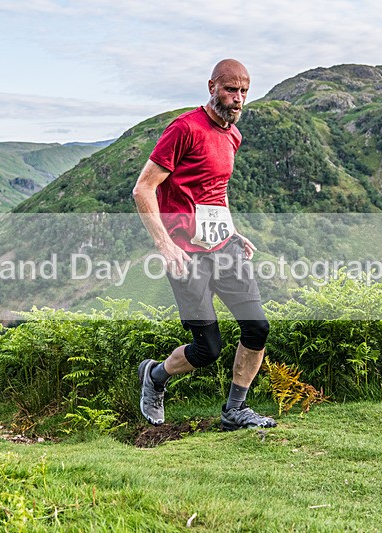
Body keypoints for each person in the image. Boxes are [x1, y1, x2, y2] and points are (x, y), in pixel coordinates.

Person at [132, 59, 276, 431]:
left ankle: (235, 411)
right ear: (212, 86)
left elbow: (215, 191)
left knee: (257, 327)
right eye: (231, 89)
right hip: (185, 254)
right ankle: (155, 376)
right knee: (207, 349)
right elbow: (143, 188)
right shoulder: (184, 129)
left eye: (244, 91)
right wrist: (165, 246)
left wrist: (232, 230)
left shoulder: (233, 136)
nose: (238, 98)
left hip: (223, 247)